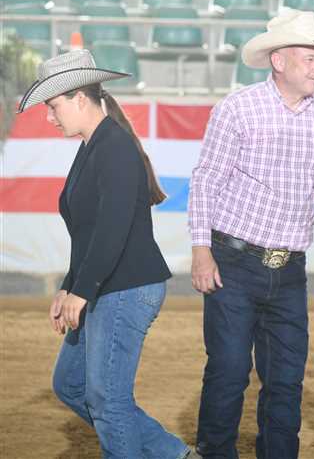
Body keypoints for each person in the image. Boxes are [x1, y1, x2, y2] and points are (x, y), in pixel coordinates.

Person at [189, 8, 314, 458]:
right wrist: (201, 249)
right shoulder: (237, 108)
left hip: (290, 270)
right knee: (228, 372)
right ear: (279, 61)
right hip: (232, 264)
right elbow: (206, 180)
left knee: (286, 378)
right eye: (310, 58)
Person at [19, 50, 193, 459]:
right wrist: (70, 286)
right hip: (108, 284)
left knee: (107, 400)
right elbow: (89, 233)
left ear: (80, 97)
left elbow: (113, 227)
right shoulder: (96, 145)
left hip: (126, 287)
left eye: (53, 106)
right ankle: (172, 453)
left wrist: (82, 290)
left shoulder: (112, 147)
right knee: (72, 385)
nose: (50, 117)